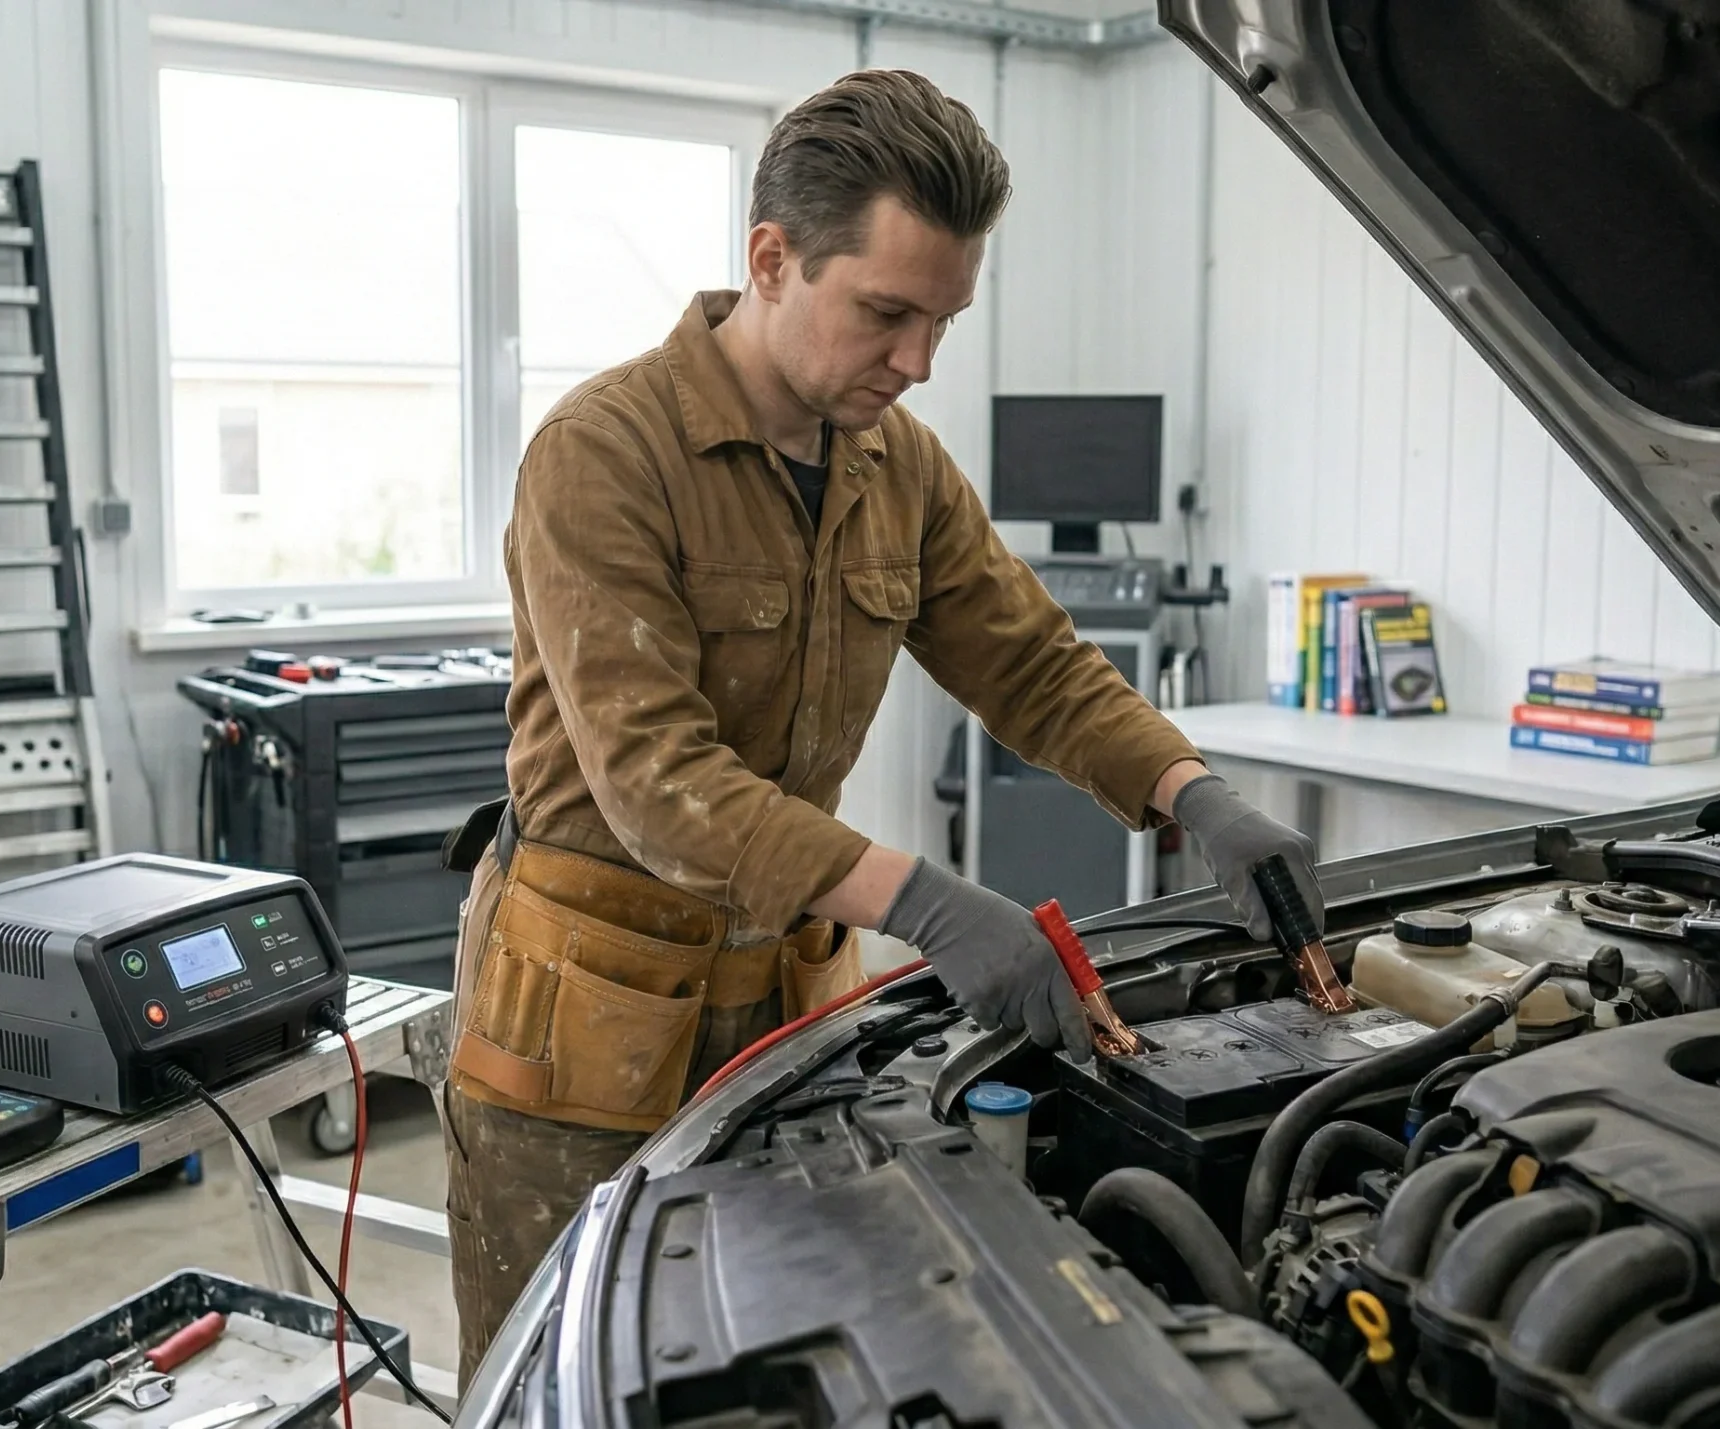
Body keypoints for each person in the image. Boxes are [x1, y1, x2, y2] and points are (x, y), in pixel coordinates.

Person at [439, 68, 1322, 1378]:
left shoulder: (896, 466)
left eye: (941, 324)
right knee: (563, 1375)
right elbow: (656, 781)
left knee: (785, 1365)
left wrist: (1200, 797)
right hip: (587, 1020)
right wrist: (927, 903)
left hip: (786, 998)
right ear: (773, 259)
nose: (914, 364)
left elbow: (1036, 664)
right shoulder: (604, 453)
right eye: (887, 315)